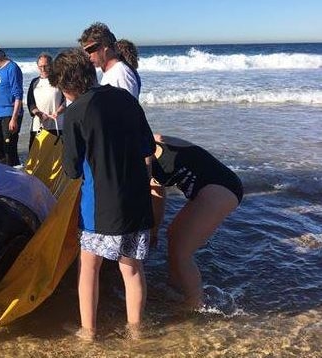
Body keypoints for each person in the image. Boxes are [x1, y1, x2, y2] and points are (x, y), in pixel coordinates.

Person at [49, 48, 154, 340]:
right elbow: (147, 147)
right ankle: (135, 333)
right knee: (132, 269)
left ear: (66, 86)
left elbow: (71, 169)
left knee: (89, 267)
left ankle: (89, 331)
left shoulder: (76, 112)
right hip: (136, 200)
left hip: (100, 206)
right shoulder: (126, 99)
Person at [149, 134, 244, 309]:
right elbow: (157, 192)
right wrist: (154, 230)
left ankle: (193, 306)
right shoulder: (150, 141)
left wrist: (152, 230)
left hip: (221, 187)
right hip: (214, 186)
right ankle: (175, 289)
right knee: (173, 236)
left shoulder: (143, 149)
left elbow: (153, 192)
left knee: (181, 251)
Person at [78, 22, 141, 99]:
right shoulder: (111, 72)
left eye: (90, 49)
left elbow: (131, 109)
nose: (87, 55)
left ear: (105, 46)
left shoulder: (122, 73)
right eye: (84, 51)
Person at [0, 45, 24, 166]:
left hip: (10, 113)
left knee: (9, 148)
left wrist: (14, 119)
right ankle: (5, 169)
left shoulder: (12, 68)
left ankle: (14, 174)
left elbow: (18, 95)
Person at [26, 53, 65, 150]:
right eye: (40, 66)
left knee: (56, 156)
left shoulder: (59, 80)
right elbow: (30, 103)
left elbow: (66, 100)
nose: (43, 69)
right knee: (35, 155)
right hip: (38, 125)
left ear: (51, 65)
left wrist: (58, 112)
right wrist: (38, 113)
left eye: (45, 66)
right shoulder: (34, 82)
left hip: (56, 124)